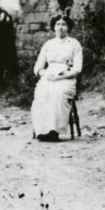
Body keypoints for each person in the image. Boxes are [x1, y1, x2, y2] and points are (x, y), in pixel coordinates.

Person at [31, 14, 83, 142]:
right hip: (49, 77)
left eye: (64, 25)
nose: (61, 28)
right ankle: (42, 130)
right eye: (58, 24)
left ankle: (54, 130)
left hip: (66, 78)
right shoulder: (48, 44)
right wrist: (46, 74)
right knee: (42, 94)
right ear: (54, 27)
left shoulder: (74, 44)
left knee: (58, 94)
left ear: (68, 27)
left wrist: (62, 76)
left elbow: (77, 68)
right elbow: (38, 67)